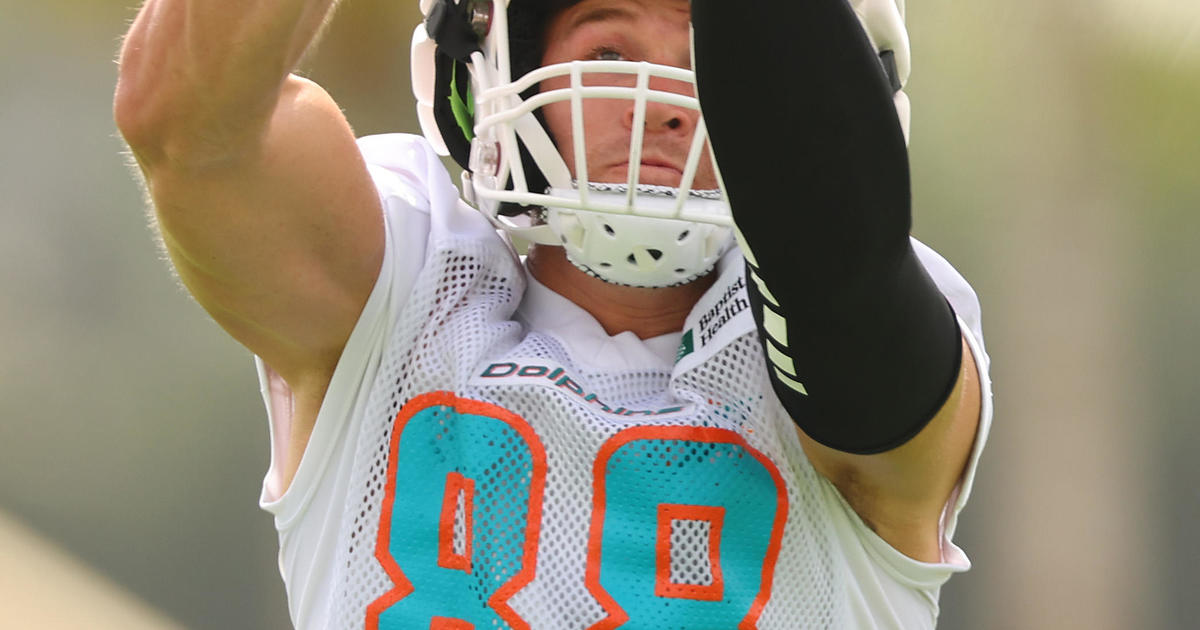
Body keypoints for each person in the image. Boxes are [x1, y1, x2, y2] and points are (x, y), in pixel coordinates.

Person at [114, 0, 992, 626]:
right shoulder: (399, 284)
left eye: (707, 62)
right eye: (609, 53)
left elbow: (844, 284)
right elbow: (184, 119)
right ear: (490, 61)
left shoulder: (873, 326)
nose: (666, 105)